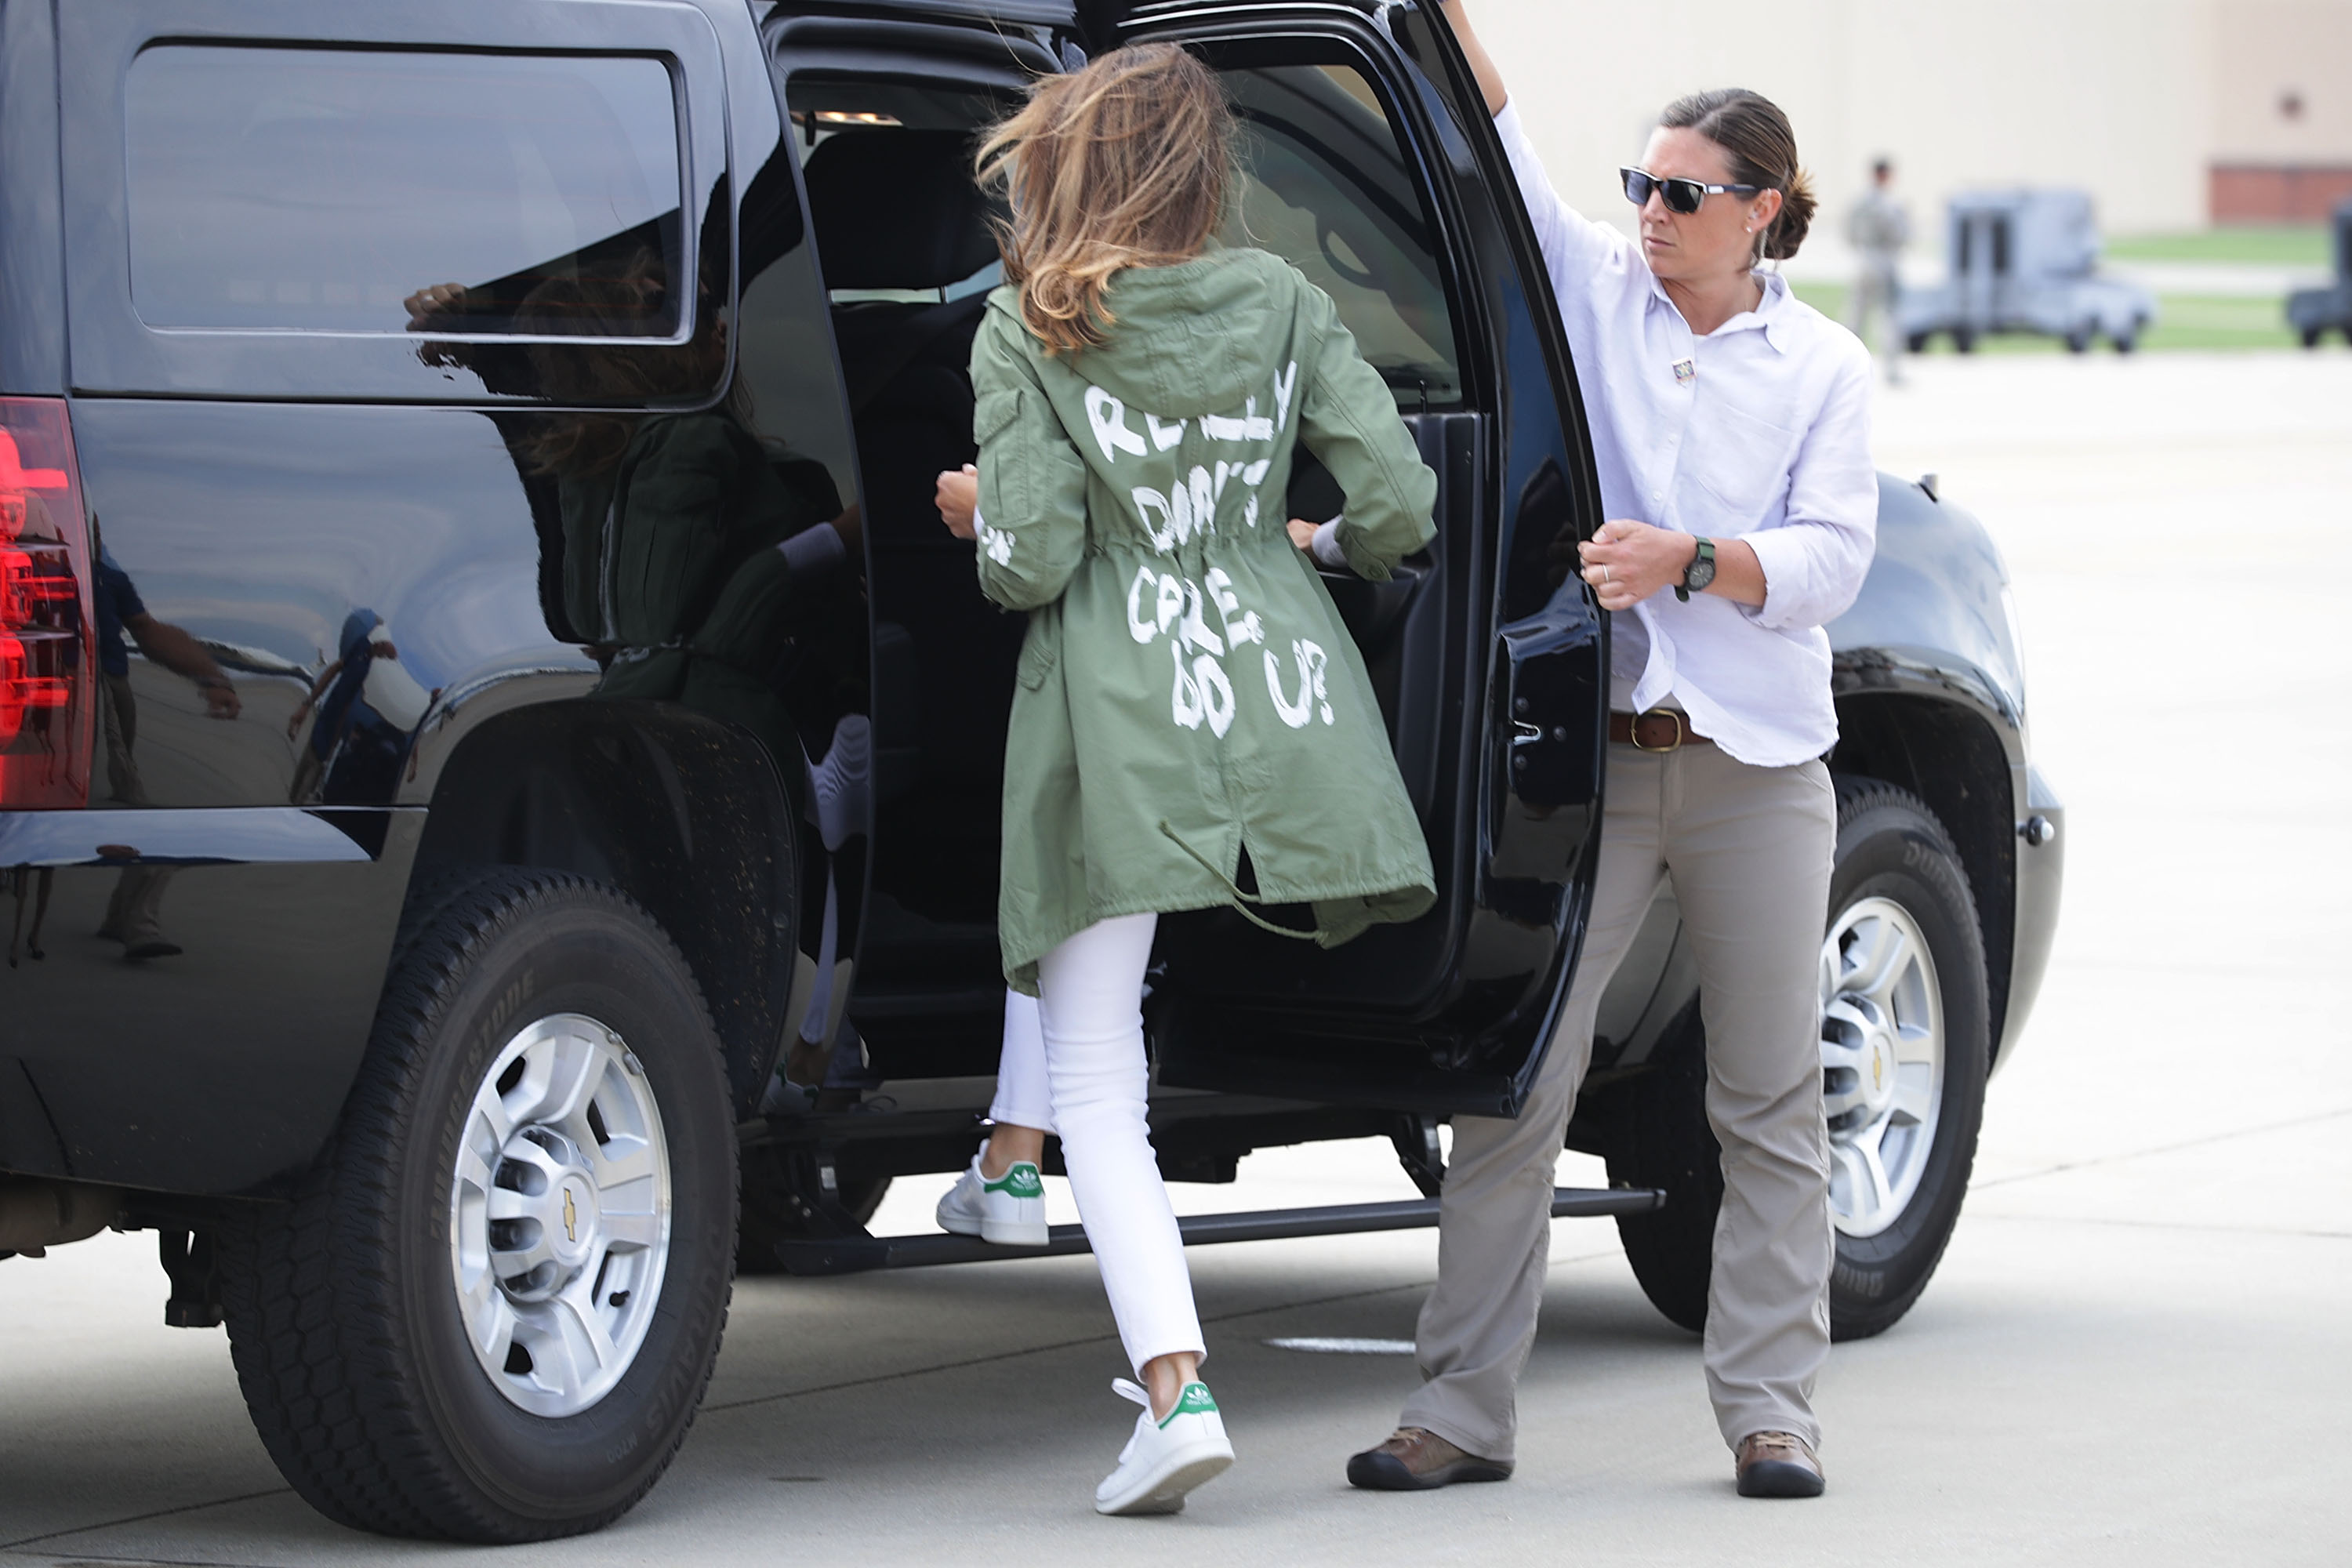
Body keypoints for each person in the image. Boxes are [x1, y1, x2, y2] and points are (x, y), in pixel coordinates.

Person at [1343, 3, 1878, 1501]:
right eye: (1640, 186)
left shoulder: (1822, 366)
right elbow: (1492, 129)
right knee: (1514, 1081)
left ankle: (1773, 1411)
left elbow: (1834, 560)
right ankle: (1458, 1414)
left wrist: (1693, 560)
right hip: (1607, 769)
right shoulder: (1595, 286)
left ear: (1760, 209)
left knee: (1766, 1100)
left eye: (1683, 194)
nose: (1649, 214)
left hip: (1761, 774)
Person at [937, 42, 1440, 1515]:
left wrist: (976, 510)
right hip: (1276, 706)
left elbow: (1029, 560)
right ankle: (1084, 1269)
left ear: (1070, 163)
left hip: (1114, 717)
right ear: (1207, 169)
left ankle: (1177, 1389)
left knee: (1100, 1071)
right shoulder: (1286, 301)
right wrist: (1312, 547)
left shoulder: (1032, 325)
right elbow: (1399, 505)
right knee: (1120, 1051)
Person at [1846, 158, 1911, 383]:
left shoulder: (1860, 203)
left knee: (1856, 315)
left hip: (1864, 260)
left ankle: (1848, 370)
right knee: (1889, 316)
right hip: (1885, 261)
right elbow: (1901, 236)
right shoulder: (1891, 205)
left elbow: (1849, 233)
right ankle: (1892, 372)